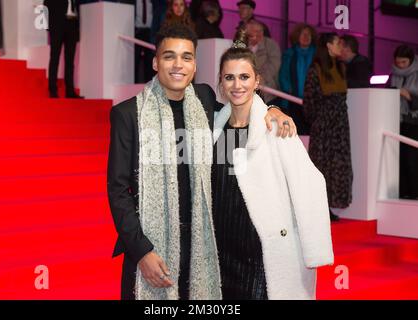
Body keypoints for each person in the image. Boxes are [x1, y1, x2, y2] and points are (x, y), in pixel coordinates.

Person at [107, 24, 296, 300]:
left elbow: (239, 108)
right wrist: (142, 251)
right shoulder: (128, 115)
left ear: (194, 65)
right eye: (169, 56)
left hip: (201, 245)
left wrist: (272, 109)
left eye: (186, 57)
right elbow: (118, 189)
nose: (178, 65)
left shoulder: (204, 101)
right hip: (151, 248)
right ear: (155, 62)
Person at [212, 34, 334, 300]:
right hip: (222, 250)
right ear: (221, 83)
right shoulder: (215, 129)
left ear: (257, 80)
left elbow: (310, 184)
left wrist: (315, 250)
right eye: (229, 77)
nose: (237, 85)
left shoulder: (275, 126)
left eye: (244, 77)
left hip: (261, 252)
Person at [303, 33, 353, 222]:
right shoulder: (315, 70)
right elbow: (309, 101)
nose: (341, 45)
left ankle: (331, 205)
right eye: (337, 42)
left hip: (340, 126)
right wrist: (320, 122)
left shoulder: (341, 68)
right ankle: (319, 207)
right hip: (323, 126)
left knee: (337, 166)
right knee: (322, 166)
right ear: (328, 46)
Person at [389, 45, 418, 200]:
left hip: (414, 123)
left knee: (412, 159)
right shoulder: (393, 74)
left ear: (411, 60)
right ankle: (403, 193)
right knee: (398, 159)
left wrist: (409, 97)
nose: (400, 66)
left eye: (404, 62)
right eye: (398, 62)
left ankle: (414, 194)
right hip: (397, 121)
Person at [279, 23, 317, 135]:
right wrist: (289, 90)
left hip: (313, 101)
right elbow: (283, 75)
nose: (306, 37)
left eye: (308, 34)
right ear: (297, 37)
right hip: (293, 101)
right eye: (303, 34)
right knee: (296, 133)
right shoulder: (289, 54)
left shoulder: (318, 54)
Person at [44, 0, 83, 99]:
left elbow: (77, 7)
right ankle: (52, 89)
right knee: (55, 57)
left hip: (72, 25)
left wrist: (77, 28)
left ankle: (70, 91)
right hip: (57, 25)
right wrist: (48, 26)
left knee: (70, 60)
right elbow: (46, 4)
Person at [245, 19, 281, 104]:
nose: (258, 34)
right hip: (248, 91)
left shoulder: (271, 45)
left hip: (268, 92)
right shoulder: (243, 45)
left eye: (260, 31)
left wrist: (259, 80)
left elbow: (274, 66)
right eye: (254, 31)